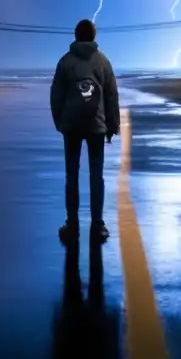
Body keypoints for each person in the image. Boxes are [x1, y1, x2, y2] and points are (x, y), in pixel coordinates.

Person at [50, 18, 120, 245]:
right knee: (96, 175)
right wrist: (113, 125)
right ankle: (98, 225)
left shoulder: (65, 61)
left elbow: (56, 96)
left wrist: (60, 123)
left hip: (71, 126)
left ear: (75, 36)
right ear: (94, 37)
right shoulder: (103, 62)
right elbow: (111, 95)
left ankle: (72, 225)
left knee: (72, 176)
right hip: (96, 126)